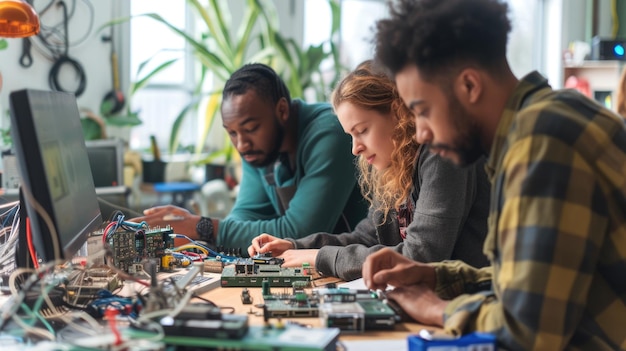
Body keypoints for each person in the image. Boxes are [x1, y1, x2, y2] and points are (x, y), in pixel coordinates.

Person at [362, 0, 626, 350]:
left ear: (469, 85)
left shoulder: (544, 142)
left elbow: (530, 332)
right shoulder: (545, 123)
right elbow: (531, 281)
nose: (420, 134)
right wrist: (434, 276)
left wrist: (438, 309)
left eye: (422, 111)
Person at [248, 61, 490, 281]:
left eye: (362, 130)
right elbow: (367, 237)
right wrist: (294, 247)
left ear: (399, 112)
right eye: (351, 135)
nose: (355, 149)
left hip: (467, 304)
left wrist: (320, 257)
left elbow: (421, 255)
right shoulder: (395, 164)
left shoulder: (443, 153)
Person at [133, 63, 367, 251]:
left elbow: (301, 231)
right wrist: (201, 238)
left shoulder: (329, 132)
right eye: (232, 133)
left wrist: (204, 227)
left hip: (357, 267)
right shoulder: (260, 150)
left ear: (282, 111)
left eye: (251, 128)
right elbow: (247, 213)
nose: (242, 144)